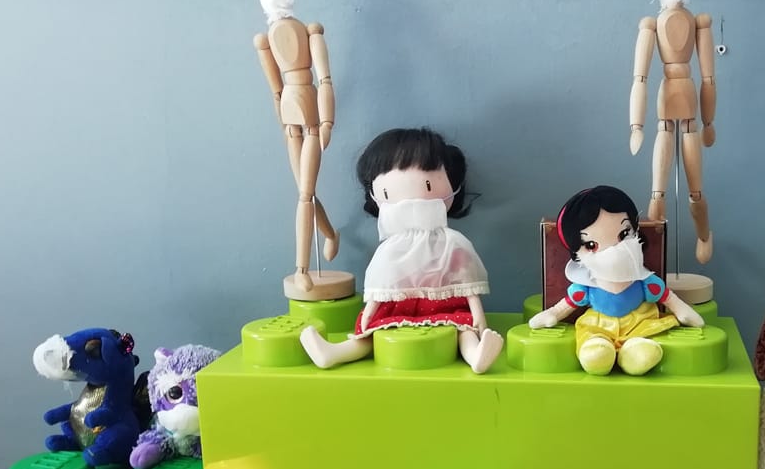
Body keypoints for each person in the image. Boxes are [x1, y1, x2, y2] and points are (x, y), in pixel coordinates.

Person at [300, 128, 503, 373]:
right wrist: (369, 312)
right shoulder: (392, 247)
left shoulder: (451, 241)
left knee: (464, 329)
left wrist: (478, 315)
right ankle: (333, 353)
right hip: (398, 304)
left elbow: (465, 276)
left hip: (446, 301)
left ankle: (475, 355)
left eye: (427, 184)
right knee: (371, 333)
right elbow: (383, 280)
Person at [530, 185, 703, 375]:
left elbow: (668, 298)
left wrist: (683, 312)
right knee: (596, 349)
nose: (613, 251)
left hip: (638, 322)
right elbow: (566, 305)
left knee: (642, 350)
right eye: (591, 245)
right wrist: (553, 313)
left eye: (624, 235)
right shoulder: (586, 286)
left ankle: (634, 352)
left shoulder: (645, 281)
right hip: (598, 325)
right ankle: (598, 352)